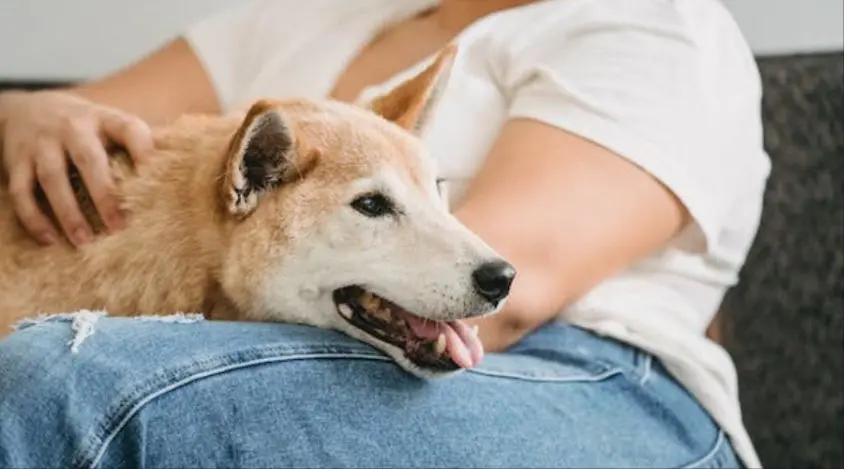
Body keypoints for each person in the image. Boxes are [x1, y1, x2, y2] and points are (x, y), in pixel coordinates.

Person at [0, 0, 769, 467]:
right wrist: (22, 112)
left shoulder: (652, 28)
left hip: (602, 394)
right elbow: (79, 127)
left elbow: (500, 293)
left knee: (64, 377)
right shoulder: (301, 18)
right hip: (316, 341)